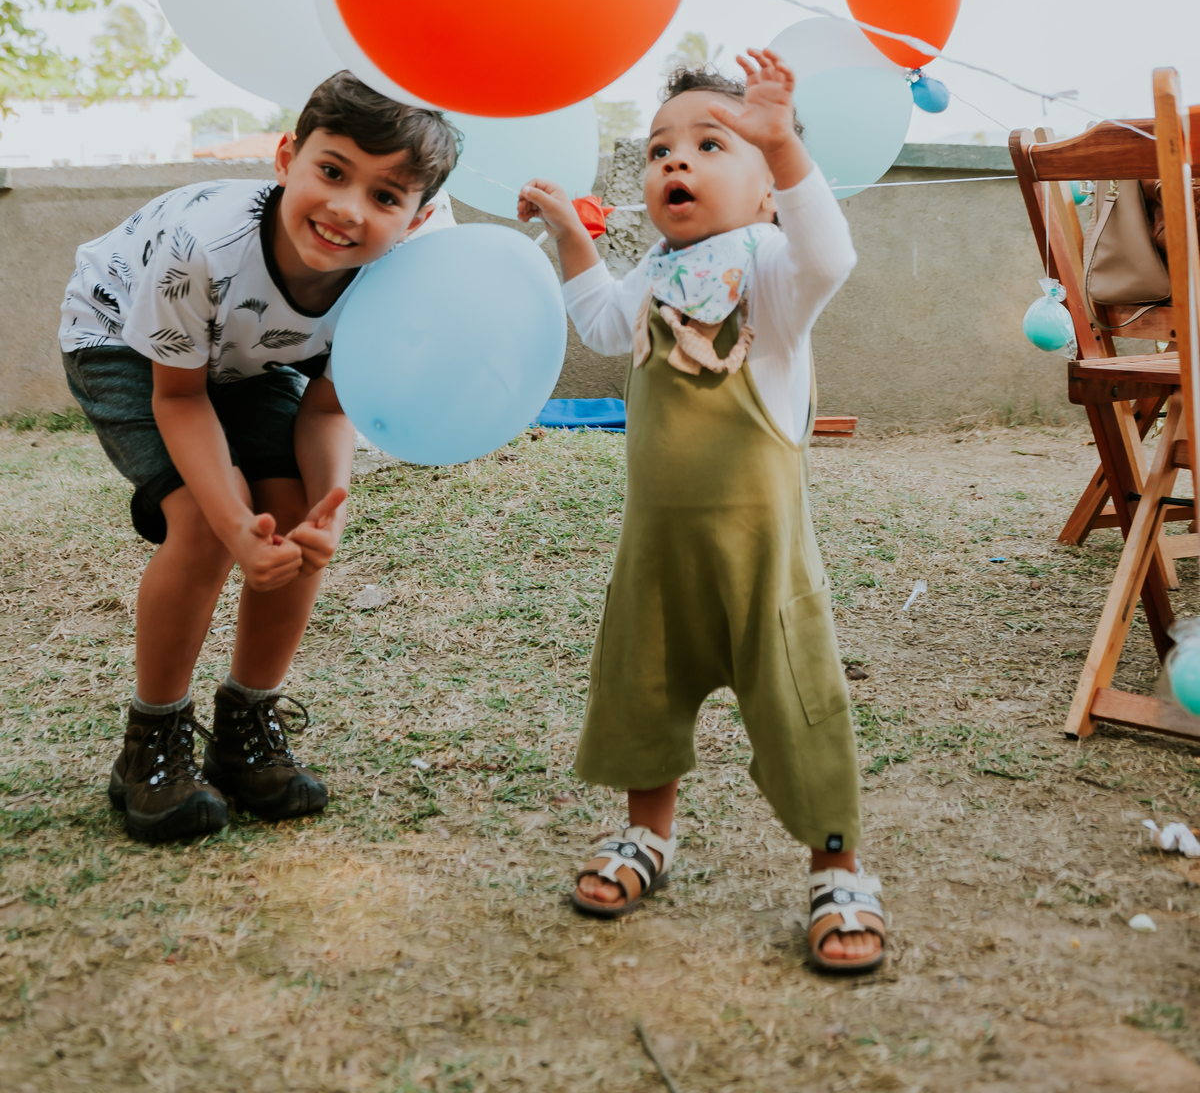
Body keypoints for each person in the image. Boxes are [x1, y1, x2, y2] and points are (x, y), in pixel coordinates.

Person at [518, 48, 886, 972]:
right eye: (659, 149)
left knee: (798, 698)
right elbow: (603, 324)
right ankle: (649, 836)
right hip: (658, 544)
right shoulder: (652, 270)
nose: (675, 162)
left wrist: (785, 148)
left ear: (768, 188)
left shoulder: (772, 266)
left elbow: (831, 253)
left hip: (761, 550)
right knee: (646, 684)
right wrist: (572, 232)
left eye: (711, 144)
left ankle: (836, 867)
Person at [60, 72, 459, 844]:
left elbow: (330, 406)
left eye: (385, 197)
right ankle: (154, 741)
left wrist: (330, 503)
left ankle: (246, 726)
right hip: (126, 343)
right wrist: (233, 520)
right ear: (287, 156)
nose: (347, 210)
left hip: (249, 357)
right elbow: (179, 399)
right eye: (333, 171)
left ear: (417, 218)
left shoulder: (393, 279)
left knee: (296, 520)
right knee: (208, 527)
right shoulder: (203, 248)